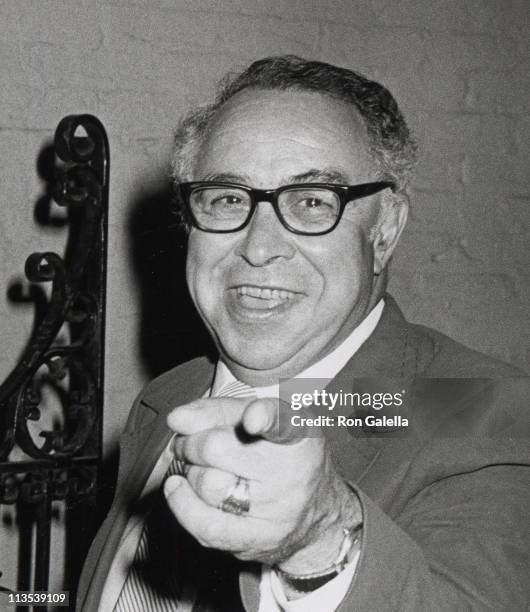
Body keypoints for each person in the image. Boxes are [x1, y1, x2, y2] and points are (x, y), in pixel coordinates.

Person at [77, 56, 529, 611]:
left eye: (313, 202)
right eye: (226, 198)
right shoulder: (167, 398)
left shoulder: (476, 406)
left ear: (384, 230)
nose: (258, 246)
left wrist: (321, 542)